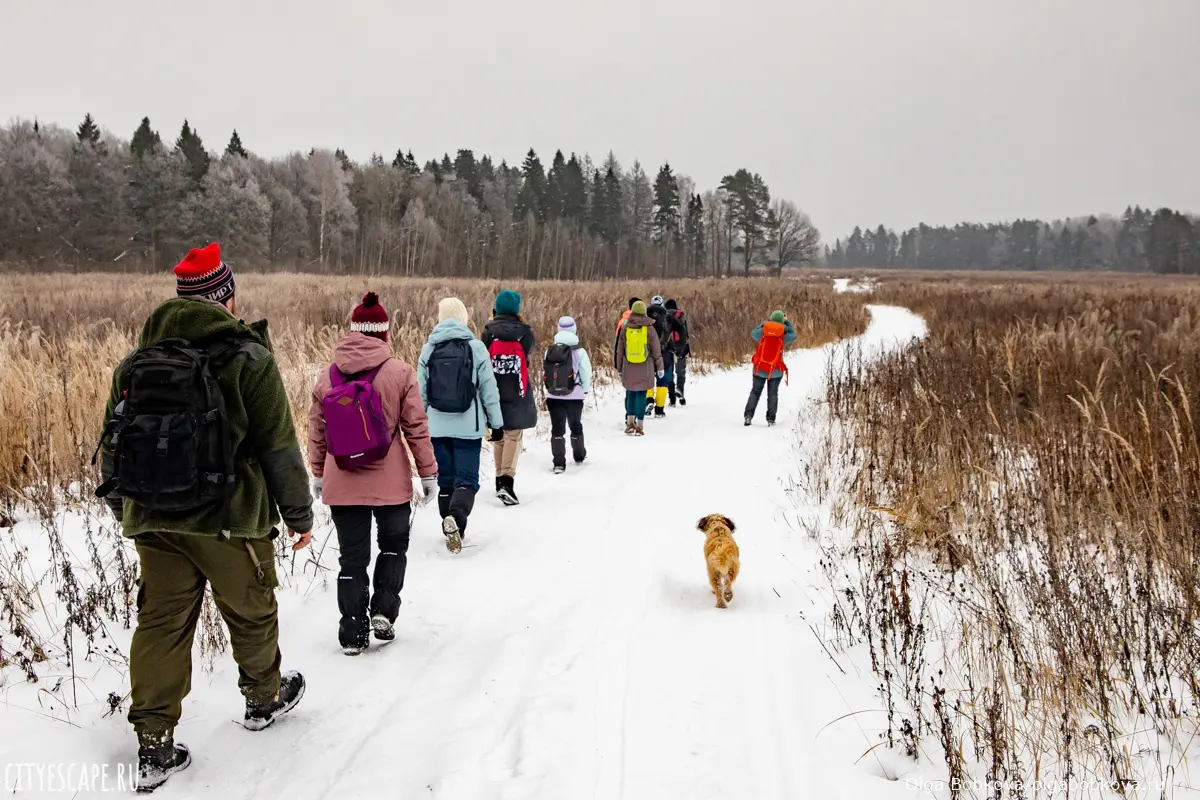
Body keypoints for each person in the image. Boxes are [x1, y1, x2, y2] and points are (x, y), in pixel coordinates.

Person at [96, 243, 312, 792]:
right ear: (224, 296)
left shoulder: (134, 362)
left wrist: (129, 509)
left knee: (161, 624)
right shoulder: (248, 357)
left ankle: (154, 744)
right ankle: (264, 699)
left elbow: (113, 445)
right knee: (251, 609)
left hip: (154, 519)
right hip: (228, 519)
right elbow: (278, 446)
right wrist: (297, 515)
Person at [308, 292, 439, 655]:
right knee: (393, 545)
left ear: (352, 331)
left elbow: (317, 429)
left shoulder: (327, 375)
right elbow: (416, 427)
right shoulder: (399, 372)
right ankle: (383, 611)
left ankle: (352, 633)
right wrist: (428, 474)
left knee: (351, 557)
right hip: (390, 483)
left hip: (342, 479)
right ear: (385, 332)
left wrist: (318, 473)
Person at [417, 298, 504, 553]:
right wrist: (496, 424)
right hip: (469, 428)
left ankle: (448, 521)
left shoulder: (428, 350)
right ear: (464, 318)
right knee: (466, 480)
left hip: (436, 427)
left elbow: (420, 393)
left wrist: (420, 425)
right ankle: (457, 519)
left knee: (445, 480)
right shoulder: (476, 348)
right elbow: (490, 390)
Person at [481, 289, 536, 505]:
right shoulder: (525, 332)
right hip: (517, 388)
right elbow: (529, 353)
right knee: (513, 434)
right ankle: (507, 481)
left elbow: (482, 354)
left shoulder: (488, 330)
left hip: (493, 388)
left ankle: (498, 480)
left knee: (499, 434)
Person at [542, 316, 593, 473]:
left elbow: (547, 372)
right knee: (575, 425)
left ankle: (558, 463)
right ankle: (579, 455)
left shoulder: (549, 351)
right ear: (574, 329)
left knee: (557, 428)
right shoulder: (580, 351)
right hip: (575, 395)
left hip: (553, 396)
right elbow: (585, 373)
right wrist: (584, 389)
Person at [615, 300, 664, 436]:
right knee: (641, 394)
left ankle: (630, 423)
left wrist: (619, 367)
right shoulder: (649, 328)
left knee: (630, 393)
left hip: (628, 365)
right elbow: (656, 350)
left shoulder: (625, 327)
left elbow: (620, 350)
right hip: (645, 367)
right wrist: (660, 367)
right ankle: (640, 426)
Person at [744, 310, 797, 427]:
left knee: (755, 392)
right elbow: (793, 335)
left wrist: (765, 324)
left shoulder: (763, 331)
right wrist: (787, 324)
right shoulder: (784, 334)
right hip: (776, 370)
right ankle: (771, 420)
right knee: (772, 395)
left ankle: (748, 416)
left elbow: (753, 333)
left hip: (760, 368)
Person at [646, 295, 685, 418]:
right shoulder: (669, 317)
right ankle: (659, 410)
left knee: (648, 379)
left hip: (649, 354)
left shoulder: (646, 317)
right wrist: (679, 347)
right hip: (666, 354)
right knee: (663, 382)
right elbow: (682, 331)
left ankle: (649, 400)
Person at [664, 299, 691, 406]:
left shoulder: (664, 317)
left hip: (669, 349)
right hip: (681, 348)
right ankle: (680, 391)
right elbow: (685, 334)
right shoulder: (681, 317)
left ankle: (672, 400)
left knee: (669, 374)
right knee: (680, 372)